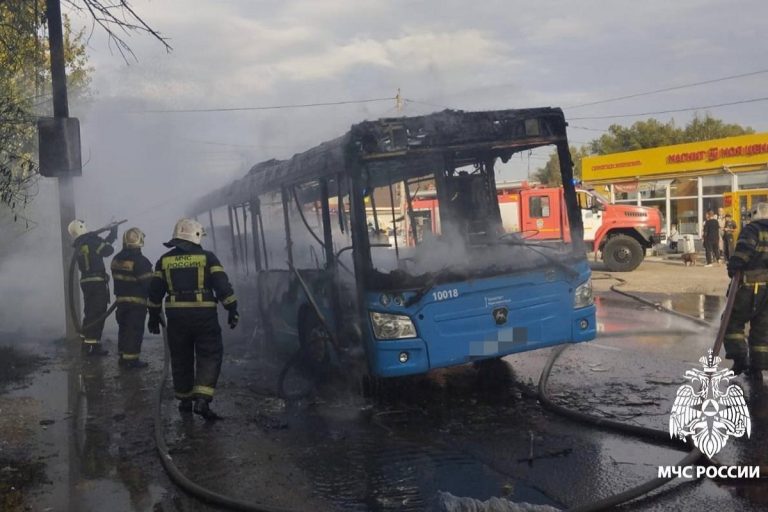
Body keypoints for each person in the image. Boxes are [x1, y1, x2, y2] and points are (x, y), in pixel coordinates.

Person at [147, 218, 239, 420]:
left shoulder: (164, 260)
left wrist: (153, 316)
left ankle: (185, 400)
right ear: (196, 235)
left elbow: (154, 292)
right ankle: (203, 400)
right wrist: (232, 308)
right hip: (203, 314)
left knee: (181, 356)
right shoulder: (208, 257)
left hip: (176, 316)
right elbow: (222, 286)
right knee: (210, 352)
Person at [725, 202, 768, 378]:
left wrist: (733, 266)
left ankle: (740, 359)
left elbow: (743, 252)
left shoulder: (752, 229)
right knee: (762, 326)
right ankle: (758, 365)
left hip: (751, 286)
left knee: (732, 322)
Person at [69, 219, 118, 356]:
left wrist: (111, 234)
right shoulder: (91, 241)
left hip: (86, 281)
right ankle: (91, 346)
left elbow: (101, 248)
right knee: (97, 312)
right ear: (82, 227)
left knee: (90, 311)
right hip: (96, 282)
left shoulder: (81, 243)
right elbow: (107, 250)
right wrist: (113, 232)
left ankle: (89, 343)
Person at [110, 227, 154, 369]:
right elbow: (149, 285)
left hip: (121, 303)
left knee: (123, 329)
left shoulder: (116, 259)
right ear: (140, 241)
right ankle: (131, 360)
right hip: (136, 305)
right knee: (134, 331)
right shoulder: (141, 261)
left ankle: (123, 357)